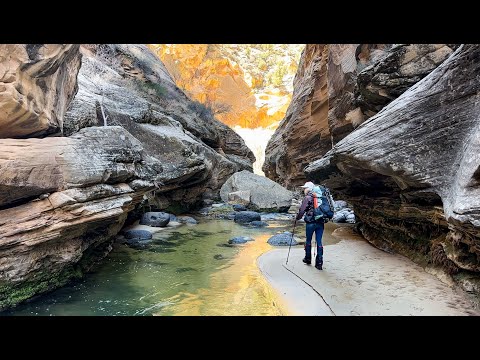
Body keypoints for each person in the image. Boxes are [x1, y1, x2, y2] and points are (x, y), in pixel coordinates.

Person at [296, 181, 325, 270]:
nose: (304, 190)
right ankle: (319, 263)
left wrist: (297, 218)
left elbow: (302, 210)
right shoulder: (321, 197)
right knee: (319, 241)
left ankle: (308, 259)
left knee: (308, 240)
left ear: (309, 188)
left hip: (311, 222)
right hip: (320, 222)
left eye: (305, 188)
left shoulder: (308, 197)